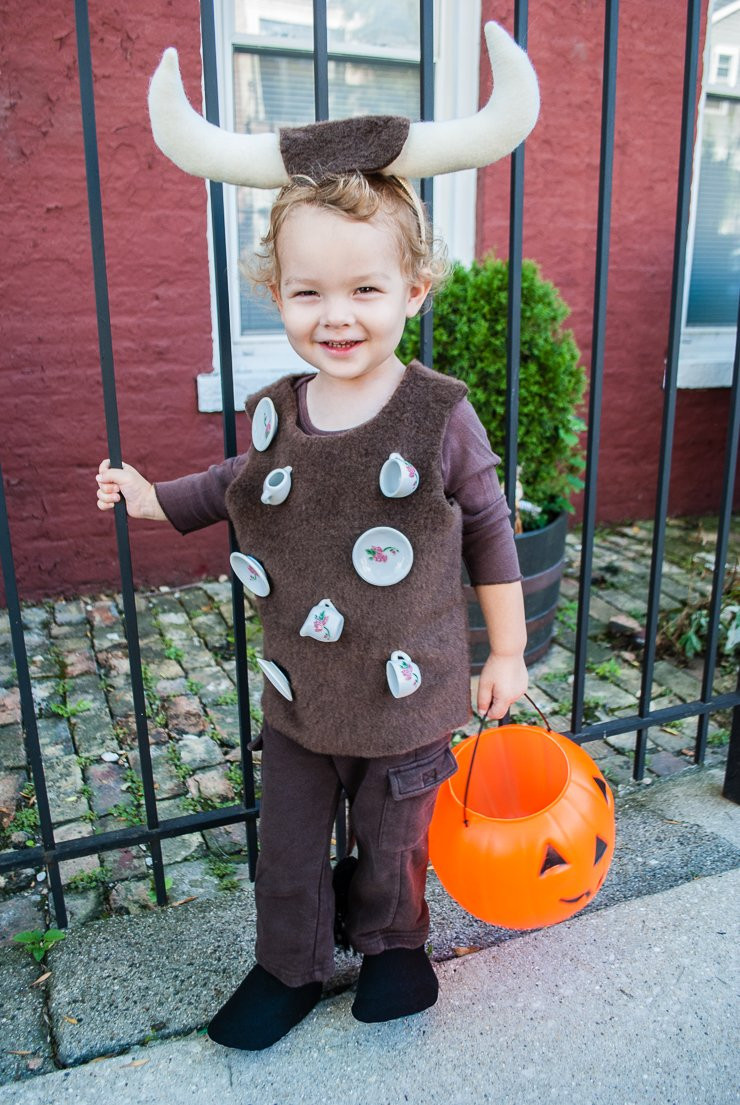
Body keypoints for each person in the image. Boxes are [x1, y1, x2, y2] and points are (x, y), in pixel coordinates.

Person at [96, 19, 539, 1053]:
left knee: (393, 836)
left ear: (412, 291)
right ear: (275, 293)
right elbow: (235, 484)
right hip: (299, 690)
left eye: (362, 289)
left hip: (409, 691)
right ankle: (288, 962)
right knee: (290, 844)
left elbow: (486, 527)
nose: (333, 316)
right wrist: (153, 494)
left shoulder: (437, 413)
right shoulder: (281, 409)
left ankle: (392, 946)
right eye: (307, 292)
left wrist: (508, 650)